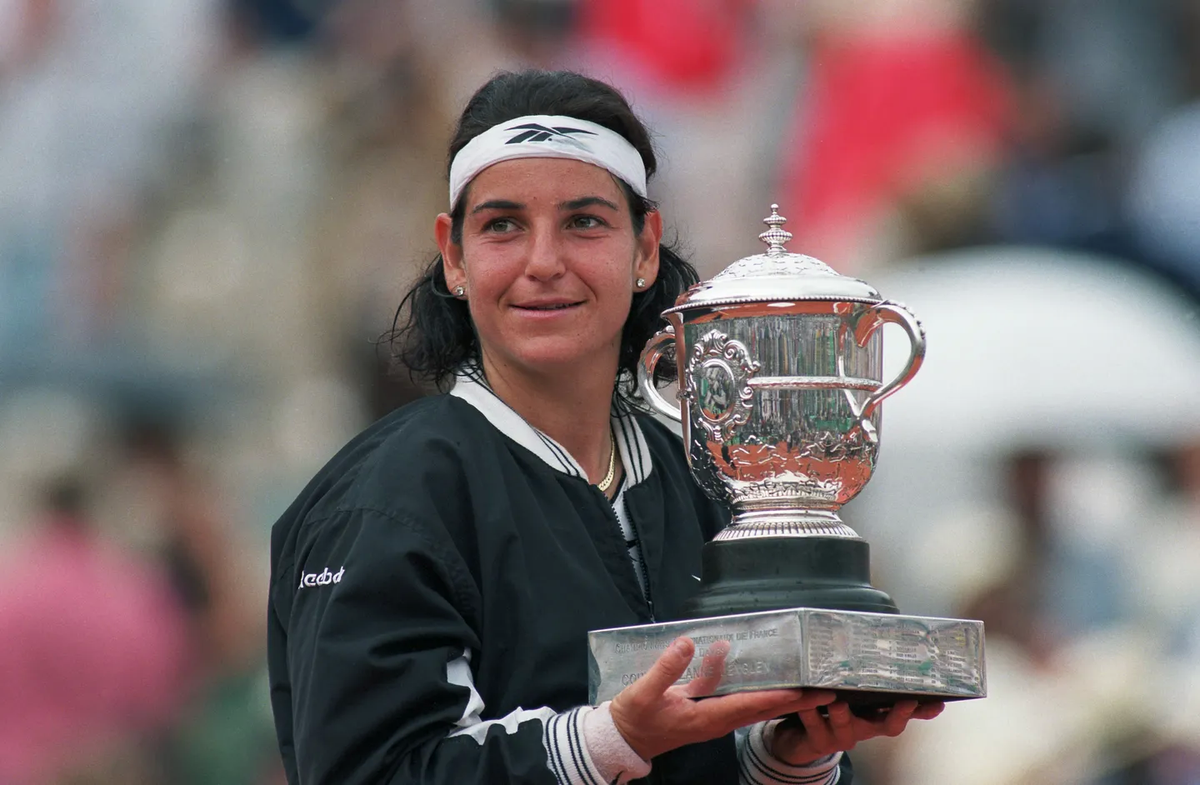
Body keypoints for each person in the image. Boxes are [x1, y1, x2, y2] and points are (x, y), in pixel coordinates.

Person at [267, 69, 944, 785]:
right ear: (455, 256)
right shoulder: (387, 499)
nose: (544, 263)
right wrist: (607, 740)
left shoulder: (701, 475)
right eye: (503, 226)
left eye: (584, 221)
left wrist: (787, 756)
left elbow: (708, 758)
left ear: (645, 247)